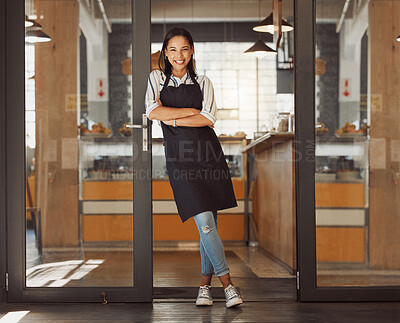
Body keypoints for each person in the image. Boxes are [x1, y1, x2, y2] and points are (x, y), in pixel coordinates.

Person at [145, 27, 243, 308]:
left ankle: (203, 287)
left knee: (208, 225)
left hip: (208, 155)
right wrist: (188, 113)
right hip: (180, 159)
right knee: (206, 225)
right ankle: (229, 287)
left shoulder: (203, 80)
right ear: (165, 52)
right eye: (173, 49)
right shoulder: (155, 78)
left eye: (184, 49)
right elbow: (152, 112)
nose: (179, 55)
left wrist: (171, 118)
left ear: (192, 51)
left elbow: (209, 119)